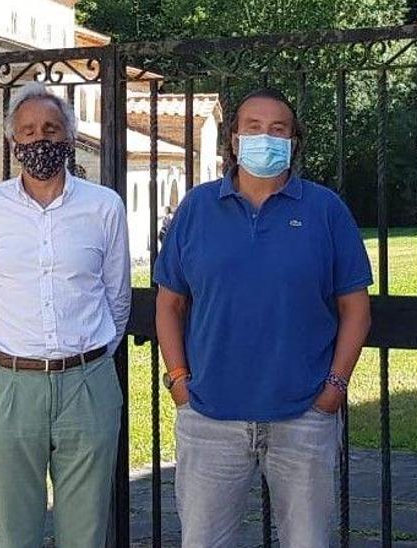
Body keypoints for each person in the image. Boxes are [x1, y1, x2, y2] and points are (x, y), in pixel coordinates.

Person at [154, 88, 373, 547]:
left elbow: (356, 310)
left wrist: (334, 389)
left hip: (303, 415)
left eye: (278, 129)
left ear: (294, 142)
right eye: (252, 127)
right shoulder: (196, 208)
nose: (265, 137)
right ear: (233, 139)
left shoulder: (325, 210)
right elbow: (169, 303)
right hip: (210, 416)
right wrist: (178, 381)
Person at [0, 81, 131, 548]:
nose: (40, 140)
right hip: (10, 385)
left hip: (87, 383)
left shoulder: (104, 207)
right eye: (29, 130)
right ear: (13, 141)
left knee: (87, 532)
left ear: (70, 138)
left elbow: (116, 298)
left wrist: (82, 356)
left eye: (52, 129)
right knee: (15, 533)